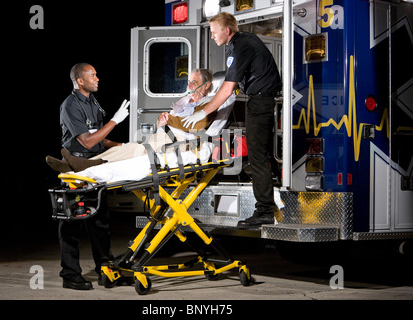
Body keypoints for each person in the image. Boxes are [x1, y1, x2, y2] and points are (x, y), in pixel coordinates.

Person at [182, 12, 282, 227]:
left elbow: (228, 87)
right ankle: (269, 200)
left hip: (260, 102)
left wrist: (204, 111)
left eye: (213, 31)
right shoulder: (238, 44)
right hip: (258, 100)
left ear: (226, 30)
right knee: (260, 153)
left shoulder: (242, 44)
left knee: (257, 156)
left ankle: (264, 210)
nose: (211, 36)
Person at [47, 68, 217, 173]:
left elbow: (197, 124)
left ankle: (82, 164)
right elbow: (170, 122)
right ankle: (80, 164)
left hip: (185, 143)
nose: (189, 86)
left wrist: (170, 119)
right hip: (166, 138)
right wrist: (161, 121)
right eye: (188, 82)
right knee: (132, 148)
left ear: (207, 85)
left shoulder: (209, 104)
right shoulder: (184, 102)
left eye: (194, 82)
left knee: (136, 149)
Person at [53, 62, 129, 290]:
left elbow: (98, 138)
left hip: (94, 165)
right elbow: (85, 141)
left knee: (99, 219)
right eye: (93, 75)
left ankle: (105, 268)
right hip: (76, 167)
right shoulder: (70, 106)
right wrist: (115, 120)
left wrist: (122, 144)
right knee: (72, 221)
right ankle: (70, 274)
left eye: (96, 74)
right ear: (80, 81)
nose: (97, 78)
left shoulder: (92, 102)